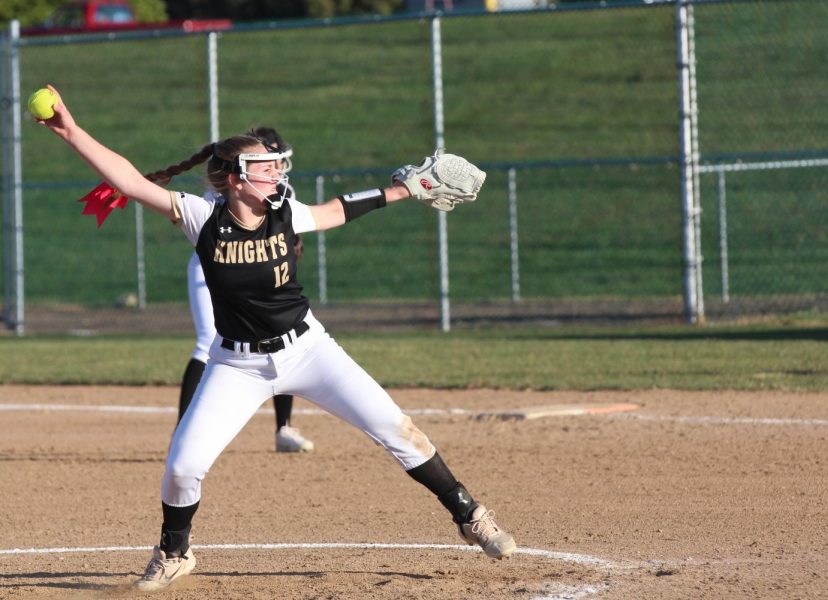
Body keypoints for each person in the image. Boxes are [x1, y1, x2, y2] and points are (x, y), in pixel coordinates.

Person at [36, 85, 515, 593]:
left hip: (309, 350)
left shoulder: (286, 208)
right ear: (236, 180)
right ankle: (175, 553)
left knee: (396, 428)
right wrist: (70, 130)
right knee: (182, 467)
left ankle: (470, 516)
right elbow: (129, 181)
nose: (277, 172)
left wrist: (398, 191)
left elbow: (335, 210)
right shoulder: (203, 219)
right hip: (235, 367)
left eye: (277, 165)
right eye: (266, 167)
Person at [180, 126, 313, 453]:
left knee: (283, 331)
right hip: (216, 270)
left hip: (260, 272)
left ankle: (284, 428)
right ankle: (183, 432)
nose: (278, 168)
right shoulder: (231, 184)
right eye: (270, 159)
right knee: (205, 342)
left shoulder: (282, 191)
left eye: (278, 160)